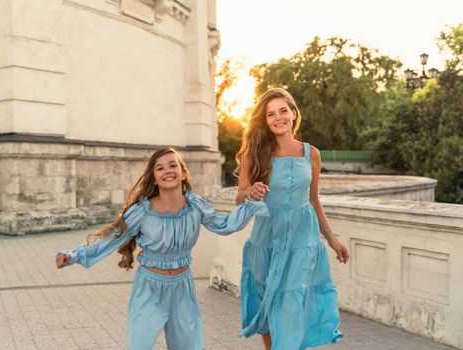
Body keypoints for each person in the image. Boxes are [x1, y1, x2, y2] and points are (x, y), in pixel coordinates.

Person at [56, 147, 269, 350]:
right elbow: (111, 239)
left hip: (182, 288)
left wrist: (250, 202)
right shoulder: (142, 211)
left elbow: (226, 225)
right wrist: (74, 255)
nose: (167, 170)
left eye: (173, 165)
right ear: (154, 177)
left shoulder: (195, 206)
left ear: (183, 173)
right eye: (160, 168)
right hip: (149, 288)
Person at [235, 88, 350, 350]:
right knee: (267, 305)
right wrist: (250, 192)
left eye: (283, 111)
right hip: (266, 240)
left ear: (294, 113)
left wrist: (332, 240)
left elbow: (313, 200)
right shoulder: (254, 155)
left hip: (302, 241)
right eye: (270, 114)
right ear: (264, 121)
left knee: (290, 306)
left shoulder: (312, 154)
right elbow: (239, 197)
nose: (278, 118)